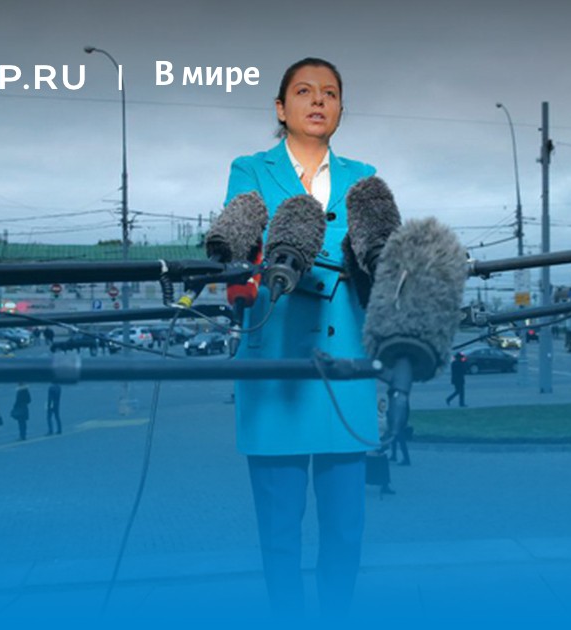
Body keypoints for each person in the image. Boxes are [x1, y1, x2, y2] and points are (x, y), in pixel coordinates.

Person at [225, 57, 380, 618]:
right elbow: (242, 242)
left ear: (340, 108)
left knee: (345, 533)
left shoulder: (365, 176)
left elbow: (376, 254)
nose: (318, 101)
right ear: (281, 107)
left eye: (330, 93)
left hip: (346, 368)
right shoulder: (249, 170)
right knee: (279, 536)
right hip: (274, 371)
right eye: (305, 91)